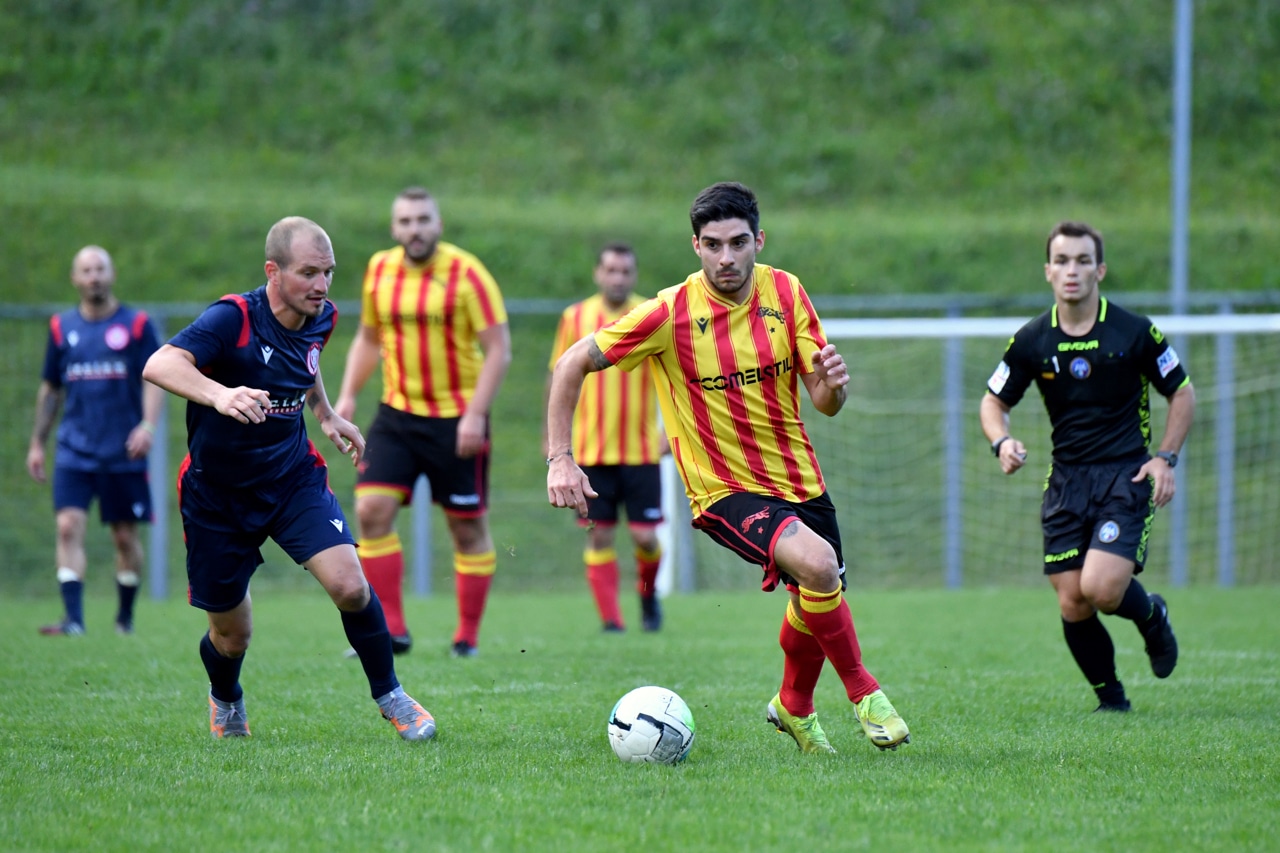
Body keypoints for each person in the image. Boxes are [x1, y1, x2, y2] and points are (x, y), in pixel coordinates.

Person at [547, 182, 910, 753]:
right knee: (819, 566)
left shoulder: (787, 292)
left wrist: (835, 385)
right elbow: (572, 362)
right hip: (722, 489)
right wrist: (560, 458)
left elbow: (824, 401)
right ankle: (865, 693)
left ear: (758, 240)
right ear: (696, 246)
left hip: (800, 478)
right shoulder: (669, 312)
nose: (726, 258)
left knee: (816, 590)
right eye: (713, 245)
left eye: (738, 243)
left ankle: (793, 707)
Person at [142, 216, 434, 741]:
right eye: (308, 273)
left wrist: (325, 413)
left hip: (291, 477)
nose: (321, 285)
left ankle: (393, 697)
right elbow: (160, 363)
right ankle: (226, 697)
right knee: (232, 636)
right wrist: (220, 394)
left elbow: (306, 361)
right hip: (217, 494)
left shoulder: (322, 316)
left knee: (350, 586)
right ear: (273, 272)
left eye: (328, 272)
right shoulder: (233, 318)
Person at [980, 220, 1194, 713]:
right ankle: (1112, 702)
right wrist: (1002, 441)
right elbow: (993, 401)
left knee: (1100, 588)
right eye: (1061, 261)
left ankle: (1152, 617)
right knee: (1072, 600)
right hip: (1066, 481)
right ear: (1048, 271)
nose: (1071, 270)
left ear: (1100, 270)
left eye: (1082, 260)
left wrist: (1165, 458)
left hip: (1126, 475)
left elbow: (1181, 393)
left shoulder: (1134, 332)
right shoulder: (1032, 340)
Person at [335, 187, 511, 658]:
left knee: (467, 529)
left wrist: (476, 414)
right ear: (395, 228)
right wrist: (348, 394)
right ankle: (392, 631)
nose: (415, 229)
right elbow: (368, 338)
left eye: (423, 219)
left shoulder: (467, 273)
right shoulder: (380, 269)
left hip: (457, 420)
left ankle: (467, 638)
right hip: (397, 415)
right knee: (371, 511)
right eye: (406, 221)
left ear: (438, 224)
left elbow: (499, 349)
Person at [27, 245, 165, 636]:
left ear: (112, 274)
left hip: (123, 451)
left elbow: (155, 378)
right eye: (86, 271)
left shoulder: (137, 325)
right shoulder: (61, 327)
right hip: (74, 450)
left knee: (124, 536)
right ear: (75, 278)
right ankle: (73, 620)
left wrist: (147, 426)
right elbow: (50, 388)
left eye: (100, 269)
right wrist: (37, 443)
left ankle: (124, 619)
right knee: (67, 527)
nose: (94, 277)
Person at [546, 243, 665, 633]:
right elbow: (559, 375)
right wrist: (553, 441)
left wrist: (670, 433)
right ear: (598, 274)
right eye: (611, 270)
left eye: (625, 271)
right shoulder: (575, 317)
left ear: (634, 275)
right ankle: (611, 621)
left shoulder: (650, 313)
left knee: (646, 537)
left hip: (641, 450)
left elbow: (675, 378)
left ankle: (647, 595)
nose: (618, 278)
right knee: (599, 537)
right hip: (591, 452)